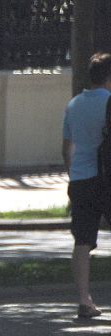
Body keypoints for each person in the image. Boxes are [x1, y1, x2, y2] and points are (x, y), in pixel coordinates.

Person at [62, 51, 110, 321]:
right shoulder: (109, 102)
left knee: (82, 241)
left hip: (80, 180)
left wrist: (74, 175)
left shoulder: (74, 104)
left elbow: (65, 148)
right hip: (106, 179)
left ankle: (84, 300)